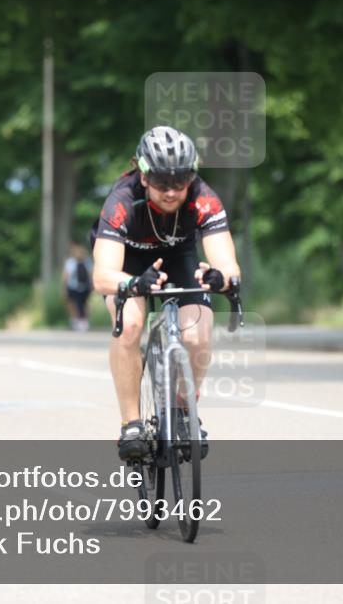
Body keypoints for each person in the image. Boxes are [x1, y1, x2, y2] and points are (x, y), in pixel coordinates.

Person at [91, 126, 241, 460]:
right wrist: (130, 285)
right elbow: (102, 276)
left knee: (199, 333)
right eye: (161, 182)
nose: (172, 191)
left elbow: (229, 266)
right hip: (127, 263)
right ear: (143, 176)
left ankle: (184, 409)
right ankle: (131, 423)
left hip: (178, 256)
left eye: (181, 181)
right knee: (130, 324)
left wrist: (220, 278)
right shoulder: (122, 201)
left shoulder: (204, 197)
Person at [62, 243, 93, 331]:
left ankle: (83, 320)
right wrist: (65, 287)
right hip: (73, 286)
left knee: (83, 303)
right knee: (73, 303)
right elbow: (66, 276)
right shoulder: (71, 262)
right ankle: (76, 319)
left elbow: (90, 274)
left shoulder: (87, 262)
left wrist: (92, 285)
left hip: (84, 286)